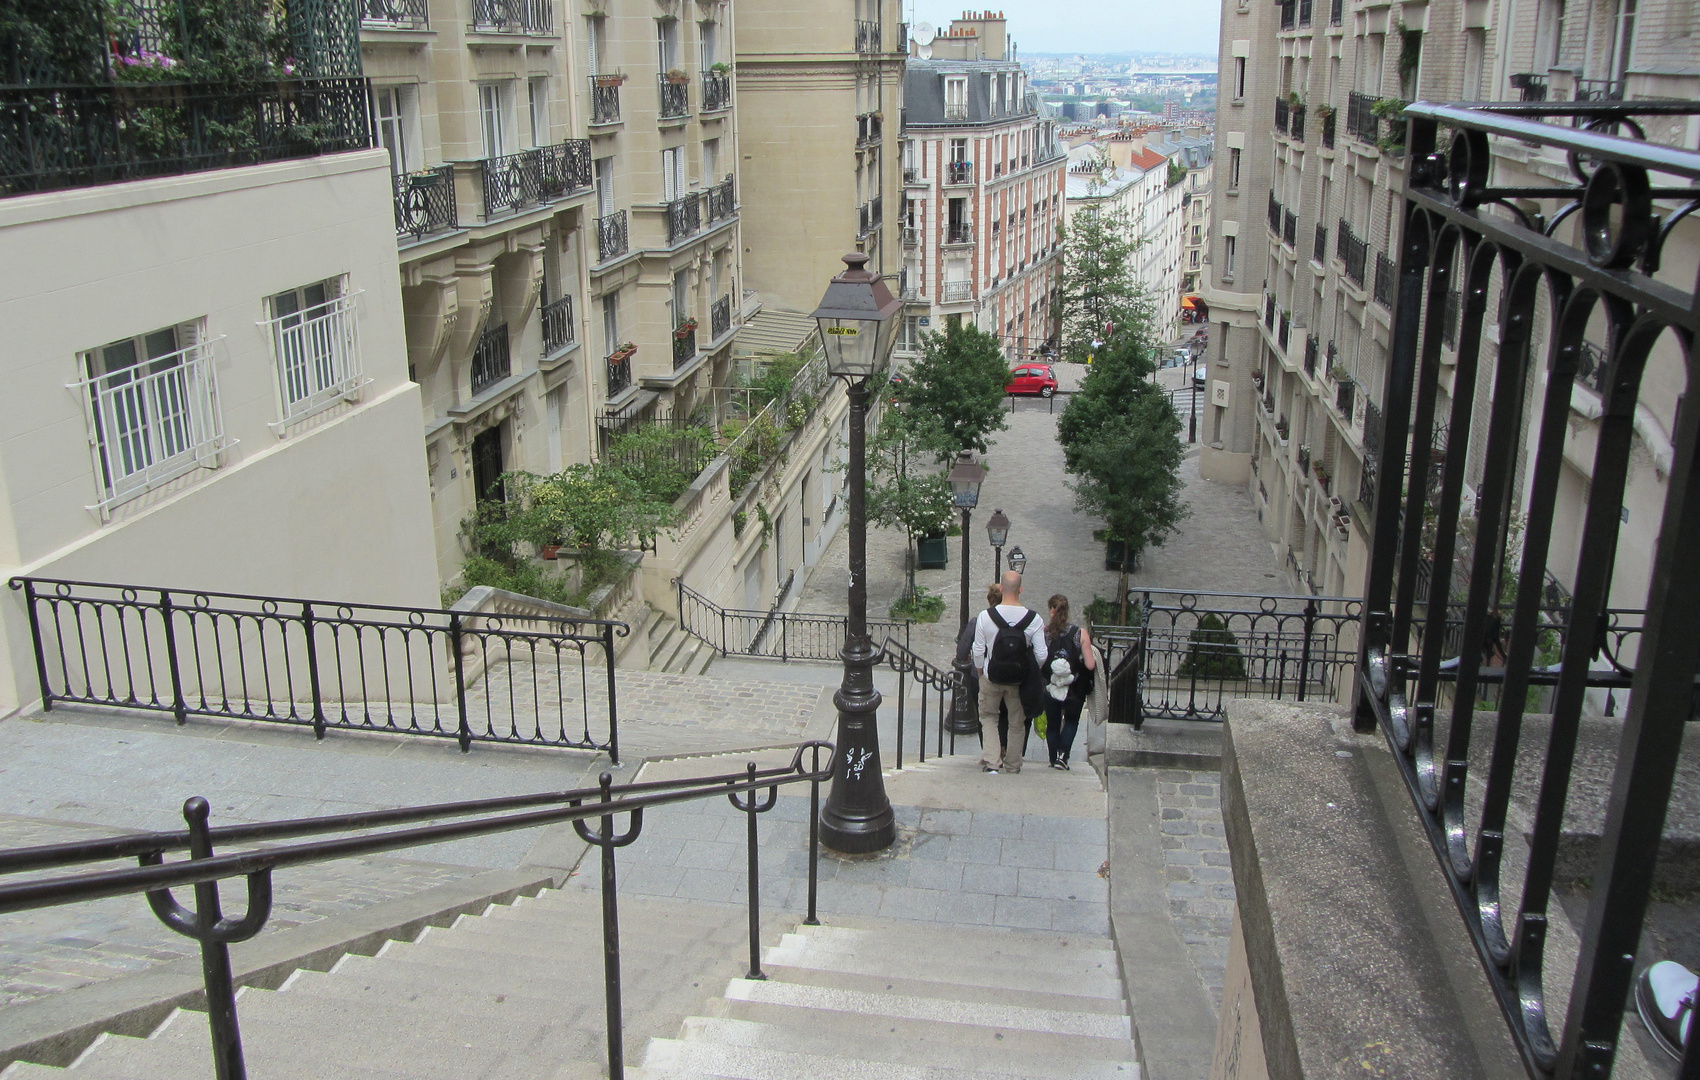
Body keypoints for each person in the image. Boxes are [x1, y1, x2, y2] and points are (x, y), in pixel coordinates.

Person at [971, 570, 1047, 774]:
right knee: (1017, 722)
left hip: (991, 676)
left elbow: (978, 650)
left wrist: (980, 672)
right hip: (1019, 680)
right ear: (1021, 589)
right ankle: (1013, 765)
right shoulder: (1034, 619)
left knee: (988, 717)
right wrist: (1030, 671)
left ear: (1001, 588)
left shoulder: (986, 617)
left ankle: (992, 762)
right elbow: (1042, 654)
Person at [1042, 595, 1096, 770]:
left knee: (1053, 724)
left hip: (1052, 686)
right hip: (1074, 687)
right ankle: (1063, 756)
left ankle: (1052, 758)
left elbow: (1039, 660)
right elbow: (1090, 664)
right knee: (1071, 721)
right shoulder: (1080, 633)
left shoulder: (1045, 634)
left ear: (1051, 610)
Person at [953, 583, 1003, 732]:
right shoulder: (1014, 621)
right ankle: (1003, 746)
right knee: (1005, 715)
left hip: (981, 675)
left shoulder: (979, 621)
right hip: (1008, 674)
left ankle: (990, 751)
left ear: (989, 599)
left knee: (985, 717)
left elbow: (961, 652)